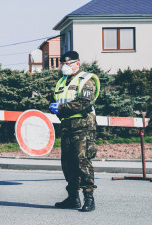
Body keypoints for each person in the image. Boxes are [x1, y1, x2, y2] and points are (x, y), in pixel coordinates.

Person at [49, 51, 100, 212]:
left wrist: (62, 108)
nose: (65, 66)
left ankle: (89, 198)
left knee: (82, 163)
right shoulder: (62, 82)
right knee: (68, 164)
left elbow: (84, 102)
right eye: (63, 64)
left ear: (77, 63)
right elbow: (59, 101)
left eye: (68, 63)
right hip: (67, 127)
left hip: (83, 127)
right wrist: (54, 108)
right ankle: (73, 198)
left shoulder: (86, 79)